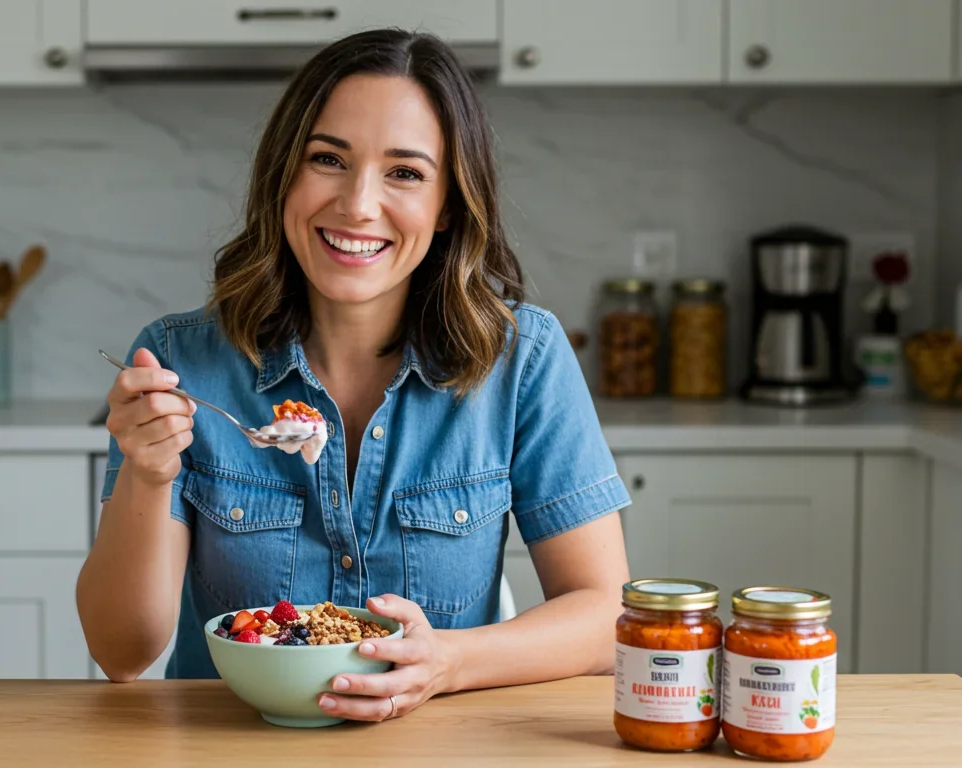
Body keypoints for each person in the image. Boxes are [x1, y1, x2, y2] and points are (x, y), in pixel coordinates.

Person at [76, 27, 632, 723]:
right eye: (328, 160)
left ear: (448, 205)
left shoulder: (523, 359)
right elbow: (121, 652)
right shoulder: (180, 361)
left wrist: (450, 662)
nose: (358, 205)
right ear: (285, 174)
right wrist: (148, 476)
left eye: (404, 173)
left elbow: (606, 609)